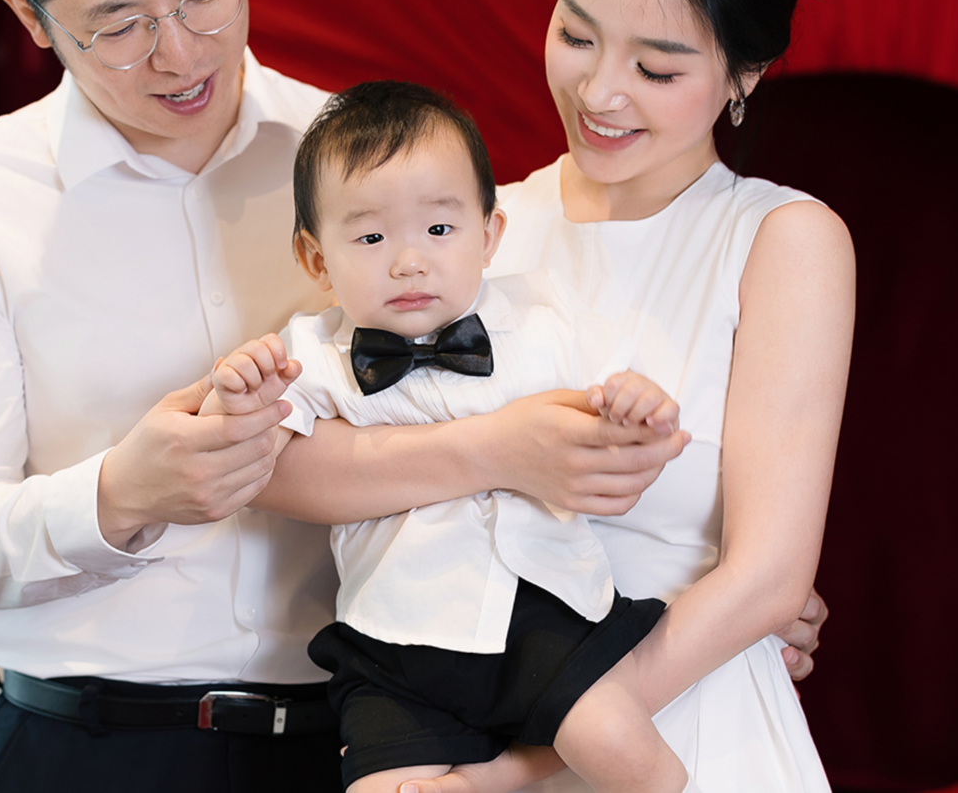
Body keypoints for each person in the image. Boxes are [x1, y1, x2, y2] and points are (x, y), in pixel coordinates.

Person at [0, 0, 738, 792]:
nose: (181, 53)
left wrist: (715, 587)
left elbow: (529, 411)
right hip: (90, 748)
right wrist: (119, 493)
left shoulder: (376, 170)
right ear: (28, 15)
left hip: (365, 734)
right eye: (120, 27)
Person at [257, 0, 853, 791]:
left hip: (681, 722)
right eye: (577, 35)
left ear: (745, 71)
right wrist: (499, 449)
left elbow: (769, 580)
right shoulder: (461, 230)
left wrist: (515, 771)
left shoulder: (783, 239)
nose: (600, 92)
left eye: (657, 68)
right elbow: (285, 458)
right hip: (455, 714)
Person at [207, 79, 703, 793]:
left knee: (624, 750)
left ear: (489, 234)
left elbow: (614, 405)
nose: (409, 261)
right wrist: (240, 397)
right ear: (317, 260)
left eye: (439, 230)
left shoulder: (544, 320)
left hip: (545, 611)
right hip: (394, 639)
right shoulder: (308, 353)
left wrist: (637, 405)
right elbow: (254, 452)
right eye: (371, 237)